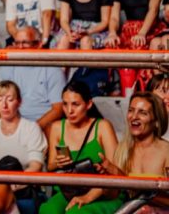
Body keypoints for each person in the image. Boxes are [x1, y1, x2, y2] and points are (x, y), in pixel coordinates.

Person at [41, 81, 122, 214]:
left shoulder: (102, 126)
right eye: (65, 104)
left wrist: (88, 196)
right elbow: (50, 166)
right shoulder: (57, 127)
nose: (69, 110)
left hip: (103, 191)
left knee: (77, 212)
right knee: (48, 210)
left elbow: (116, 170)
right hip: (70, 190)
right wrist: (58, 163)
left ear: (89, 104)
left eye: (75, 104)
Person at [97, 92, 169, 212]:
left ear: (156, 121)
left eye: (143, 113)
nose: (134, 117)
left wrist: (121, 176)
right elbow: (114, 195)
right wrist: (107, 178)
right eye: (131, 110)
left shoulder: (166, 152)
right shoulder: (122, 150)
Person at [0, 27, 65, 132]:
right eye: (17, 43)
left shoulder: (52, 69)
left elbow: (58, 109)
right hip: (13, 124)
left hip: (43, 125)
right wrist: (10, 126)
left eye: (25, 43)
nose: (20, 47)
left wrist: (33, 130)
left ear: (39, 45)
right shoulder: (7, 67)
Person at [0, 81, 47, 173]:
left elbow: (36, 166)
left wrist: (14, 185)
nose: (4, 105)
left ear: (19, 101)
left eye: (10, 100)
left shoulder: (31, 128)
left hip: (25, 184)